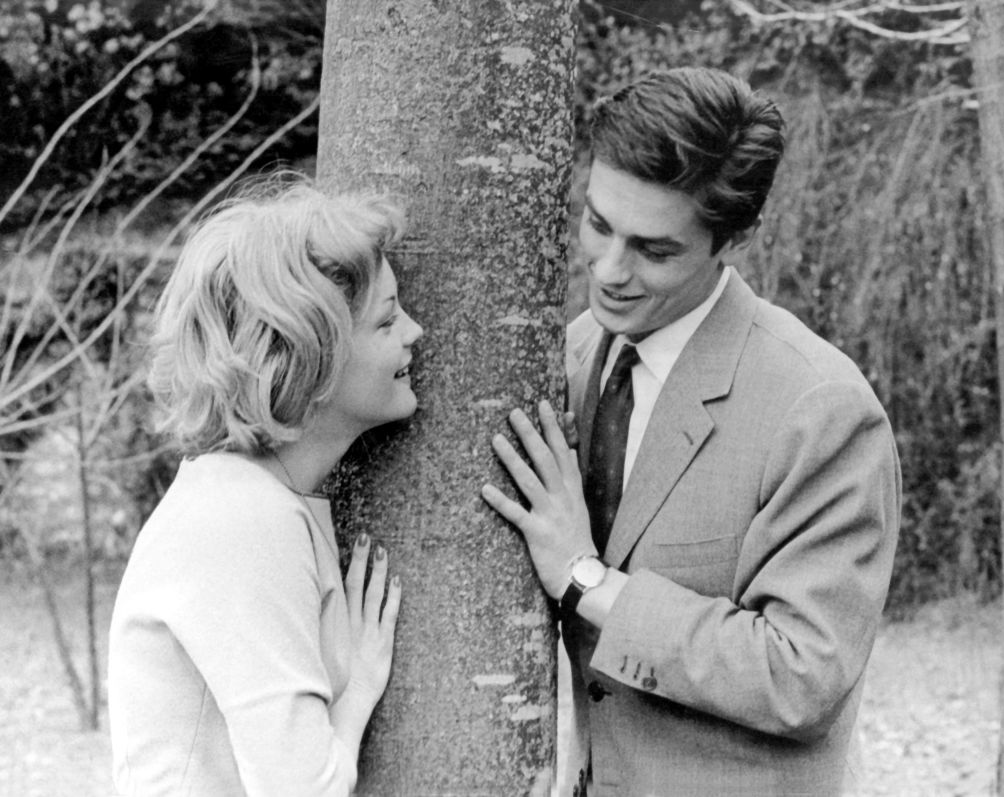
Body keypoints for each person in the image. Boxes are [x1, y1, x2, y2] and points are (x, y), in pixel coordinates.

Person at [482, 67, 901, 796]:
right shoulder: (575, 353)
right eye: (599, 224)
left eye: (654, 249)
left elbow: (801, 674)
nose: (610, 269)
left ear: (733, 237)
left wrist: (587, 579)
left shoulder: (819, 407)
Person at [107, 179, 423, 795]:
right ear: (312, 358)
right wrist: (357, 691)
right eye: (386, 320)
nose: (415, 331)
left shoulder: (247, 499)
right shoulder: (244, 521)